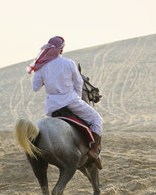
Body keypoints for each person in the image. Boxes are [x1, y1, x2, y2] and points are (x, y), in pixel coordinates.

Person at [27, 36, 102, 168]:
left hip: (52, 107)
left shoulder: (41, 66)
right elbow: (79, 83)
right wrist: (77, 98)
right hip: (71, 101)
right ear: (61, 50)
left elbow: (35, 87)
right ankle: (94, 150)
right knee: (97, 119)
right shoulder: (69, 63)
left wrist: (46, 80)